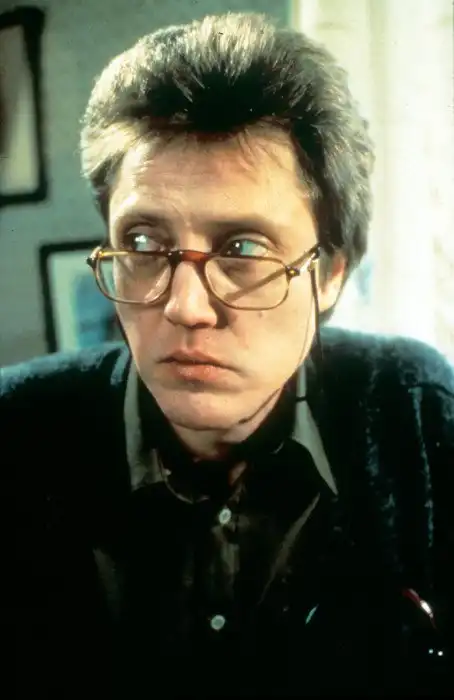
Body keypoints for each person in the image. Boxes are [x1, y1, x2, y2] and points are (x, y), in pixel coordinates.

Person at [5, 11, 454, 698]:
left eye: (243, 249)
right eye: (144, 244)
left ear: (330, 274)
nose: (185, 306)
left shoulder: (419, 418)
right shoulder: (14, 434)